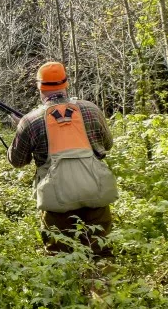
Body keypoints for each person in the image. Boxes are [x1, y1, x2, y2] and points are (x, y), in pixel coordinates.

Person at [7, 61, 117, 259]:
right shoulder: (91, 109)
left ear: (40, 88)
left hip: (56, 201)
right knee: (101, 254)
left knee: (59, 257)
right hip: (95, 191)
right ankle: (103, 289)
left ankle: (68, 288)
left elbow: (17, 161)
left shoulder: (30, 121)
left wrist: (21, 129)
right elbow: (107, 145)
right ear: (66, 84)